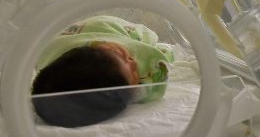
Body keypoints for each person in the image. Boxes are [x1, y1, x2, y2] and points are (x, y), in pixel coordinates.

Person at [31, 15, 174, 128]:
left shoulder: (104, 46)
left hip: (96, 28)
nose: (134, 61)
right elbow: (159, 70)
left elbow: (152, 56)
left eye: (121, 55)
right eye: (134, 73)